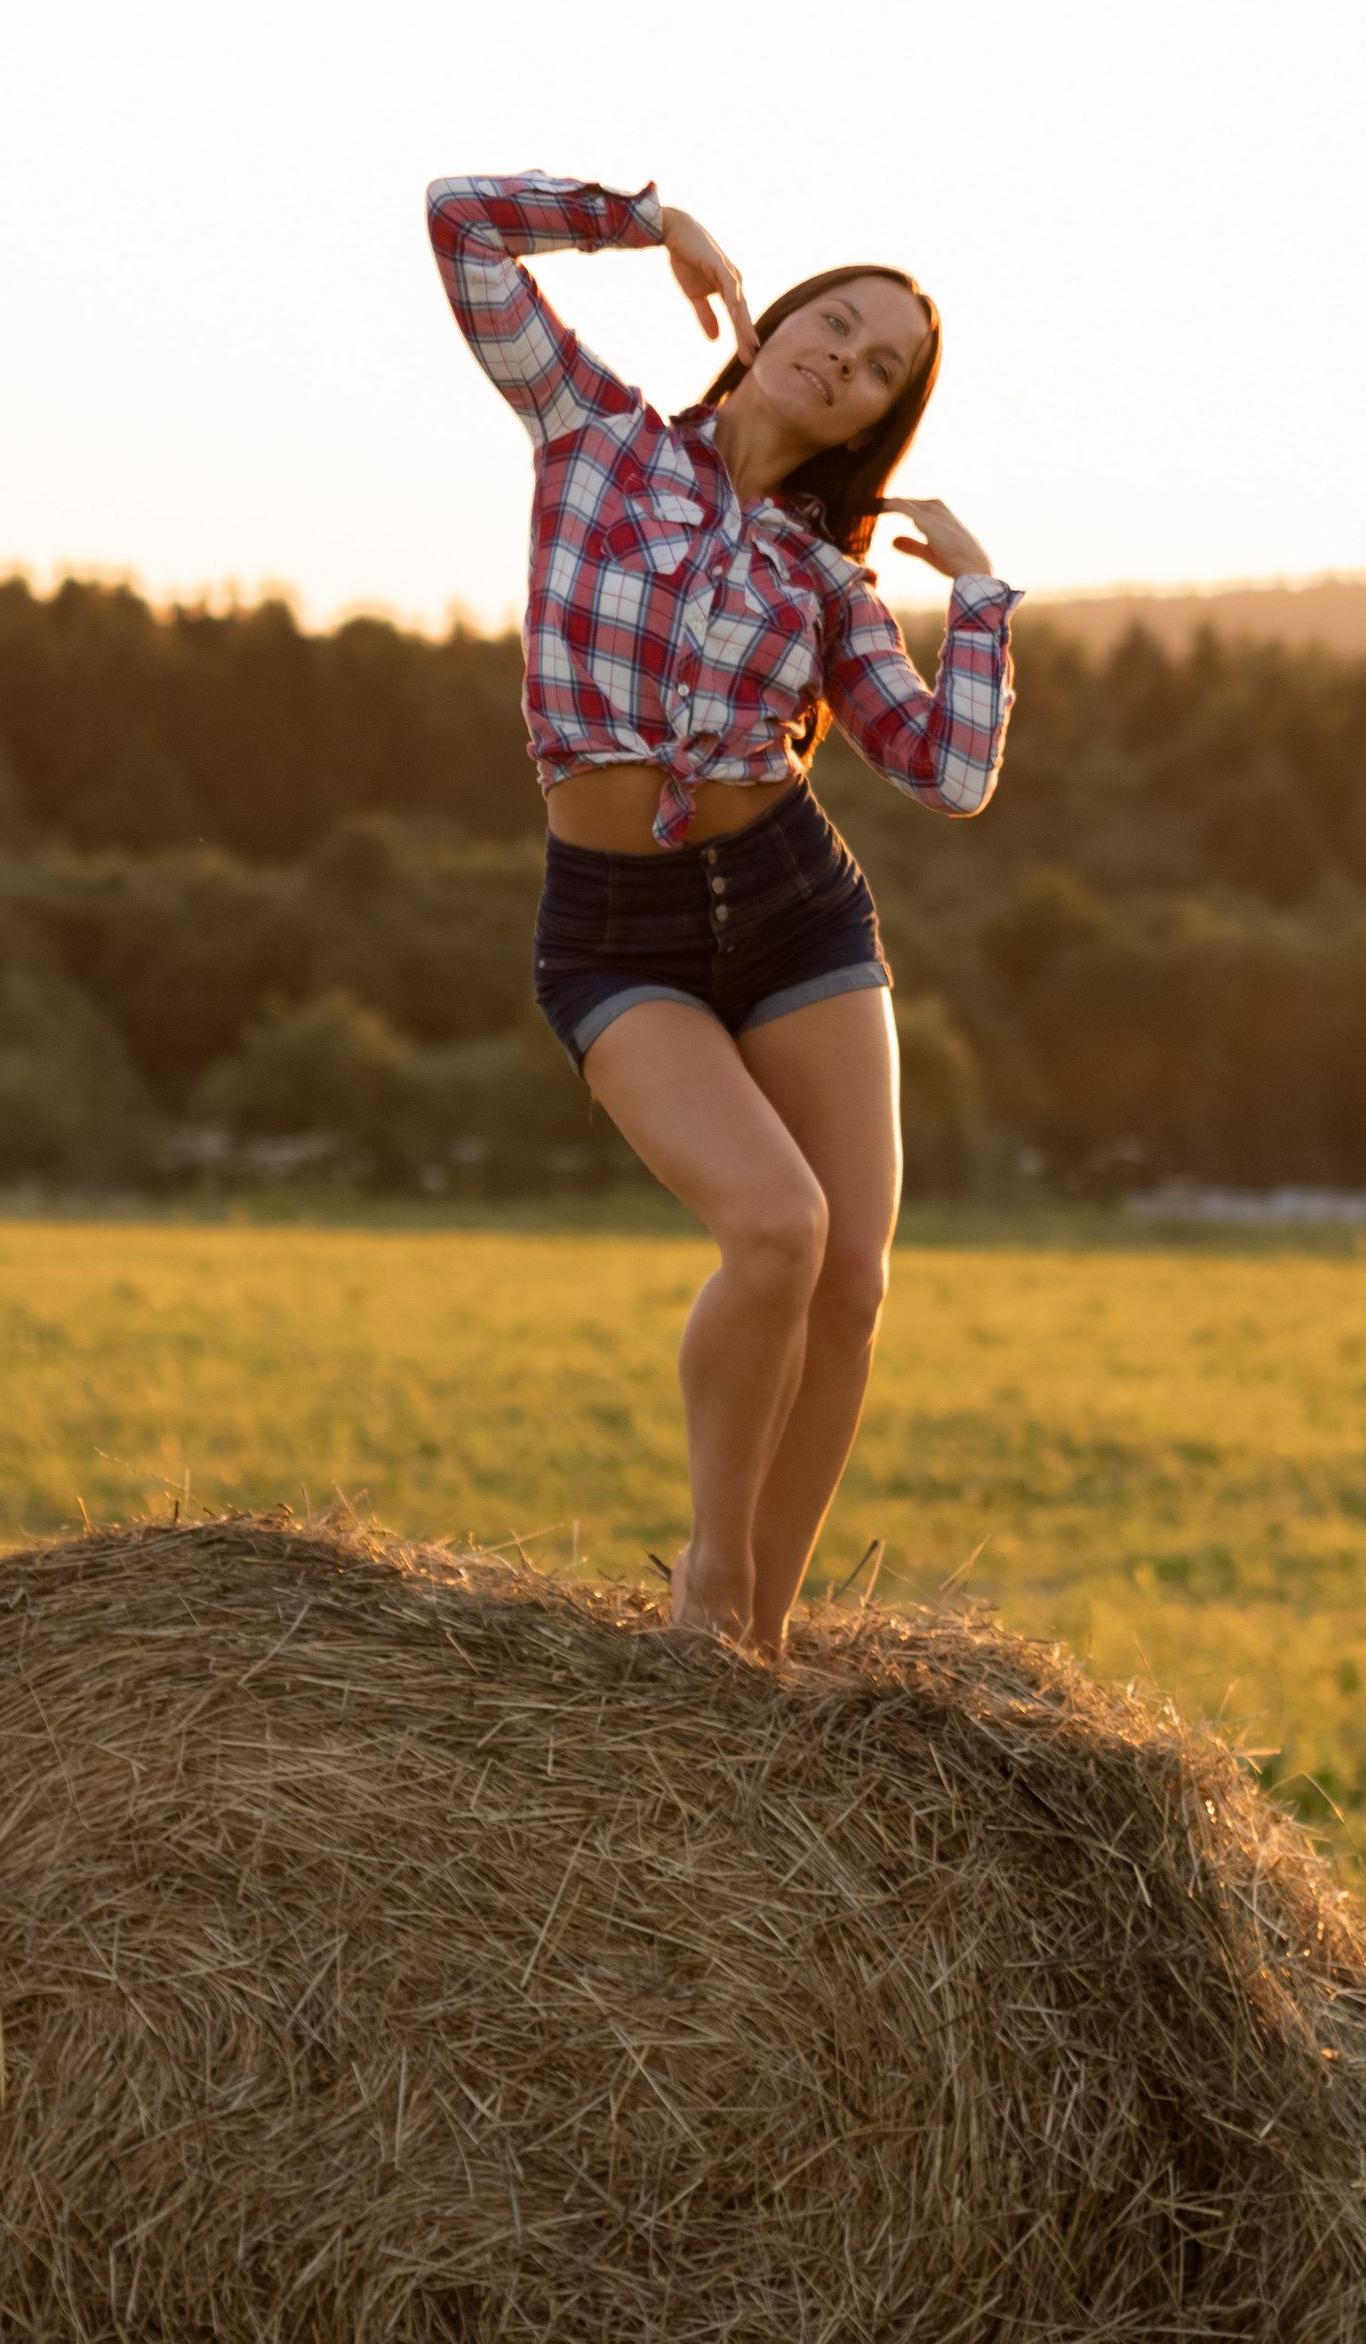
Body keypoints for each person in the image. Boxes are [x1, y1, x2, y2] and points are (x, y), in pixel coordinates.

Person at [426, 169, 1020, 1656]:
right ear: (767, 328)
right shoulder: (597, 435)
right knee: (775, 1231)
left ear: (869, 423)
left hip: (794, 911)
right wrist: (645, 221)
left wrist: (984, 598)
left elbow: (947, 773)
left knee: (854, 1283)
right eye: (835, 320)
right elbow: (459, 225)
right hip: (620, 934)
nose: (847, 355)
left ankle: (749, 1640)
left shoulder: (826, 582)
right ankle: (709, 1572)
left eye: (880, 366)